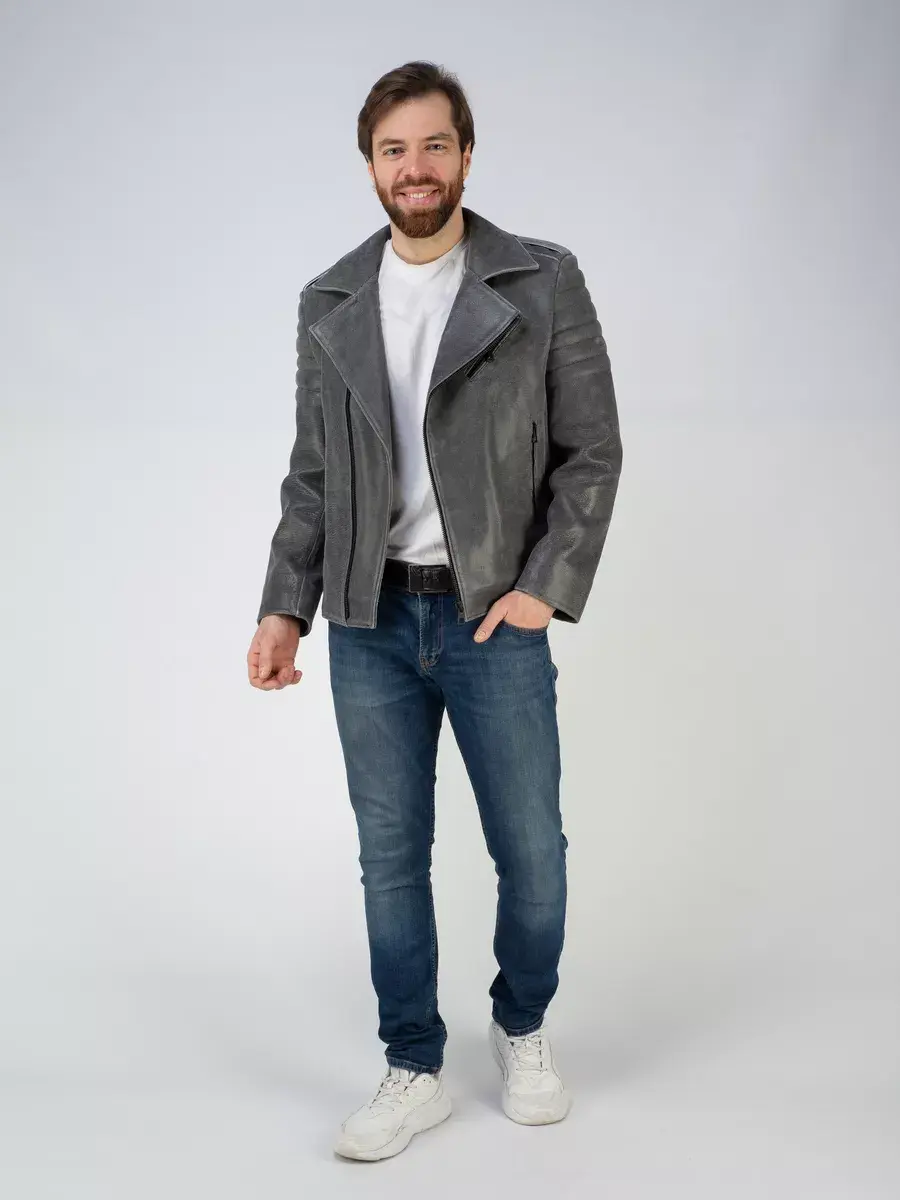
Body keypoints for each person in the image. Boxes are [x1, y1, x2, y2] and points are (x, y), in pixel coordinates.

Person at [247, 59, 623, 1161]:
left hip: (492, 617)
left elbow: (591, 451)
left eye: (433, 145)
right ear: (370, 166)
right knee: (390, 858)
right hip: (367, 621)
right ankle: (413, 1063)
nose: (414, 167)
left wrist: (543, 587)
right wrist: (284, 607)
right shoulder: (329, 301)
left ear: (466, 154)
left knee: (533, 853)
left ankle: (522, 1025)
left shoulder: (540, 279)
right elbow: (314, 474)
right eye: (393, 150)